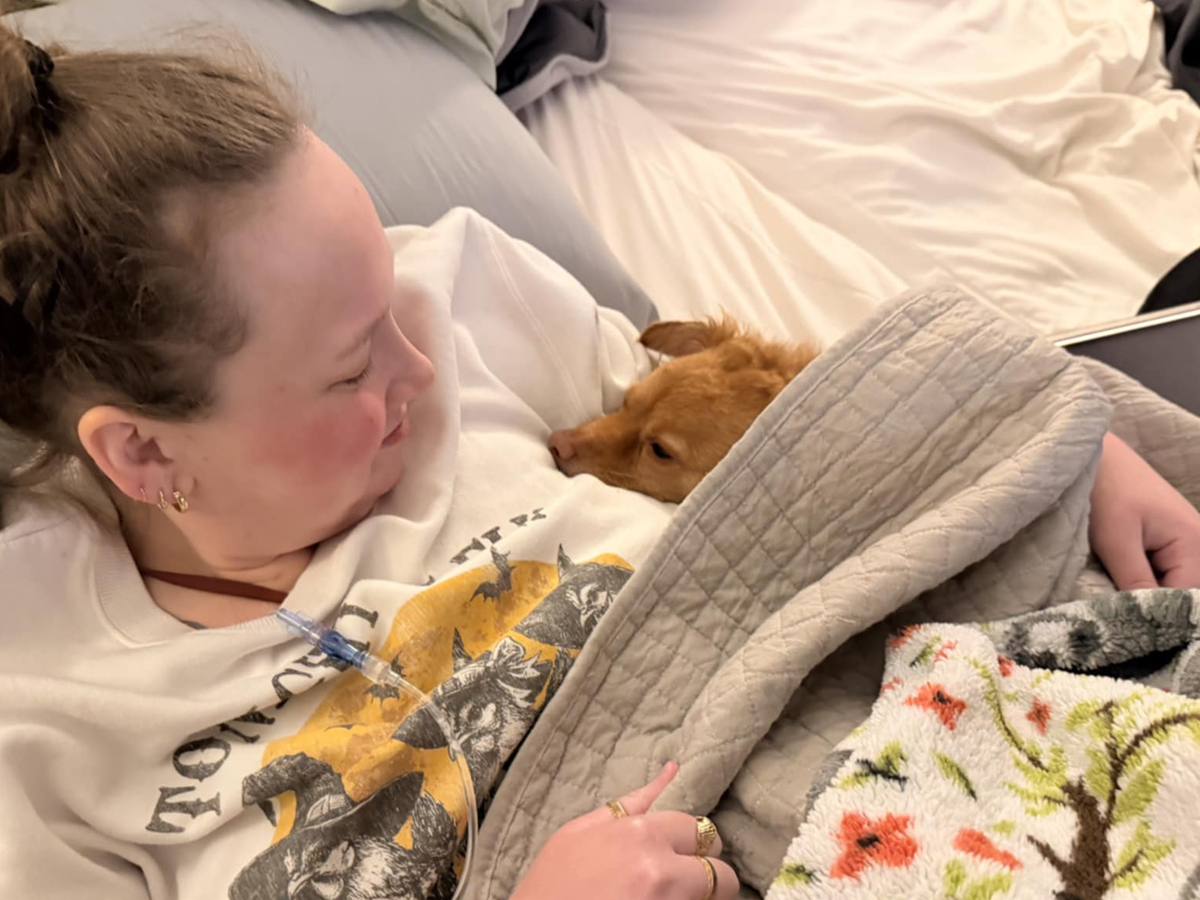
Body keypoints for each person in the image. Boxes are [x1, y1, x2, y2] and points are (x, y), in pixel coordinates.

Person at [0, 27, 1196, 900]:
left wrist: (1036, 440)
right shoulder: (43, 714)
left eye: (393, 301)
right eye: (353, 365)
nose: (423, 365)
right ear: (141, 451)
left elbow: (777, 424)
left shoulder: (469, 291)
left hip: (955, 706)